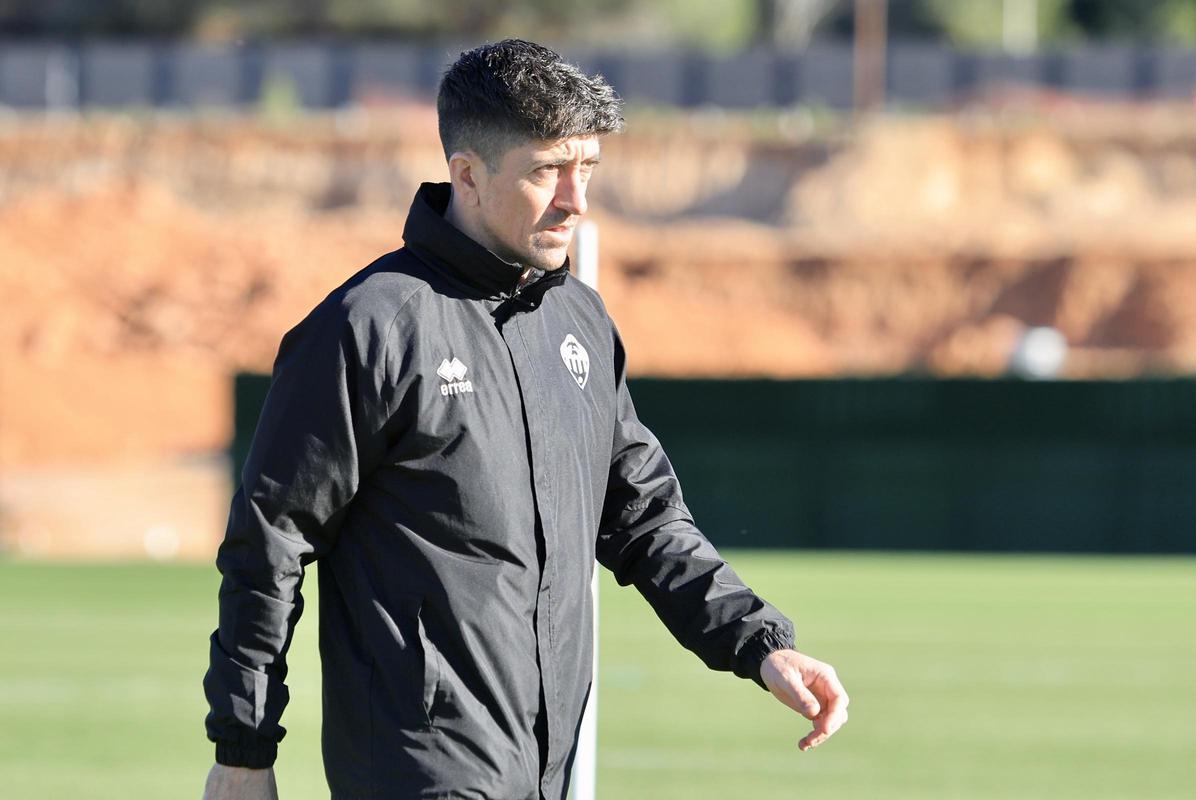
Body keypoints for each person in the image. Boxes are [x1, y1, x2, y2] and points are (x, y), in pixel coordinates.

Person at [202, 39, 848, 800]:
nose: (577, 199)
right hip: (419, 771)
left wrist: (761, 644)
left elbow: (644, 519)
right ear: (467, 176)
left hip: (545, 771)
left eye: (588, 170)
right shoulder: (367, 327)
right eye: (548, 171)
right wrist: (244, 753)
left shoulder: (580, 321)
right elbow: (268, 548)